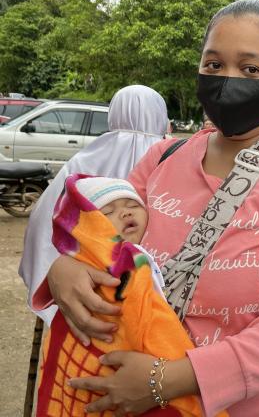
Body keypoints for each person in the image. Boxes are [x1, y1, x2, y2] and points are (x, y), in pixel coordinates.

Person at [33, 0, 259, 416]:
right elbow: (104, 237)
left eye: (250, 69)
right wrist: (64, 268)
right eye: (214, 64)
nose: (228, 80)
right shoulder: (162, 158)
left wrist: (165, 380)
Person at [35, 175, 211, 416]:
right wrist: (61, 267)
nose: (126, 213)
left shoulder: (140, 255)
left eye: (132, 205)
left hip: (151, 372)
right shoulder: (110, 264)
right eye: (108, 212)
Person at [19, 84, 169, 325]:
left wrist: (56, 265)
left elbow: (45, 220)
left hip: (89, 277)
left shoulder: (87, 157)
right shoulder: (175, 156)